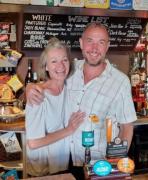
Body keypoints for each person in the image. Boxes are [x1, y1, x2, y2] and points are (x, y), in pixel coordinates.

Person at [26, 22, 137, 179]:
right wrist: (30, 87)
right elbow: (49, 81)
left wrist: (116, 164)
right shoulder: (69, 70)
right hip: (64, 162)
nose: (94, 48)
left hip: (98, 164)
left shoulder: (120, 81)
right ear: (81, 43)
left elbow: (127, 126)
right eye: (90, 41)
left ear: (107, 46)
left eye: (101, 42)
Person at [25, 37, 85, 177]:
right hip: (42, 172)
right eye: (54, 61)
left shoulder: (68, 87)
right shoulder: (38, 96)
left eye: (64, 60)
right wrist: (69, 130)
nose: (61, 66)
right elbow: (33, 143)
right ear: (46, 66)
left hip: (63, 167)